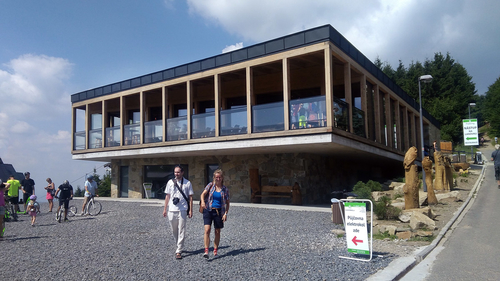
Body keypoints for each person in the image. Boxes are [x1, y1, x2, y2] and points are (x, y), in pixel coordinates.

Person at [162, 165, 193, 260]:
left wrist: (191, 210)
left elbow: (190, 197)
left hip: (182, 209)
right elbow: (167, 196)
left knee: (182, 230)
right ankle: (178, 244)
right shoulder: (170, 182)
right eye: (175, 172)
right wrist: (165, 209)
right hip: (172, 209)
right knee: (174, 230)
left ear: (182, 172)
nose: (177, 174)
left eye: (178, 172)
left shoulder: (187, 183)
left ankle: (179, 250)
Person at [200, 169, 230, 259]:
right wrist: (202, 202)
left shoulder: (225, 190)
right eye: (216, 177)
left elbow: (228, 203)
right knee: (207, 230)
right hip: (208, 210)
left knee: (217, 231)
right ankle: (206, 250)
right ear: (214, 177)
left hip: (219, 212)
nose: (218, 179)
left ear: (222, 178)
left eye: (219, 177)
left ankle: (215, 249)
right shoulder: (210, 185)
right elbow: (202, 194)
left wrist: (225, 214)